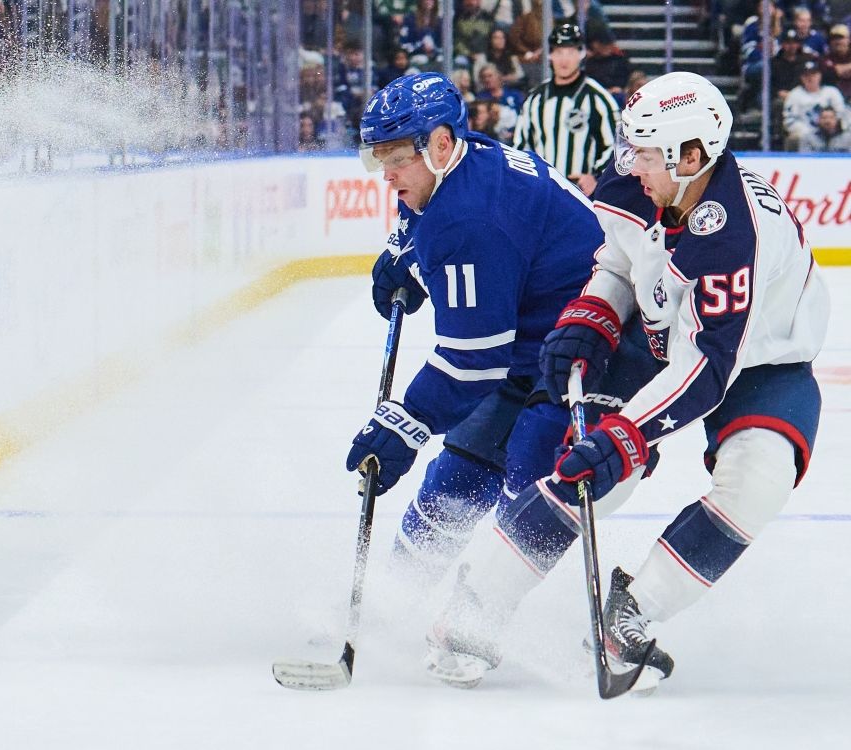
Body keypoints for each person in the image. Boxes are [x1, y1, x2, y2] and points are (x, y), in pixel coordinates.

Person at [423, 71, 829, 690]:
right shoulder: (640, 178)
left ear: (692, 156)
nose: (628, 162)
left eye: (646, 151)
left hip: (761, 361)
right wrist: (598, 309)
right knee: (592, 475)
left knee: (757, 479)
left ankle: (633, 614)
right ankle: (476, 605)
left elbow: (709, 365)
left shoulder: (734, 233)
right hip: (660, 332)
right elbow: (620, 254)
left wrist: (629, 433)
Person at [347, 72, 605, 595]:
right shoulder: (466, 159)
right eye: (380, 157)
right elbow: (421, 216)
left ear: (441, 144)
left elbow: (474, 361)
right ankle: (395, 603)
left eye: (397, 158)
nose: (387, 175)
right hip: (532, 338)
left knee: (531, 483)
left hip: (589, 351)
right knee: (462, 470)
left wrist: (408, 422)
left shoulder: (471, 220)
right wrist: (409, 254)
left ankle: (477, 622)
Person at [514, 23, 620, 197]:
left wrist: (596, 176)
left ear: (581, 54)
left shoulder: (598, 98)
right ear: (550, 55)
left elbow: (617, 146)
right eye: (559, 52)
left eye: (571, 52)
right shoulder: (535, 99)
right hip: (543, 194)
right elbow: (521, 147)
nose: (564, 59)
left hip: (584, 196)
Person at [782, 59, 848, 149]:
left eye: (813, 74)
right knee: (796, 138)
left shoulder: (832, 92)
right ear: (801, 78)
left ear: (819, 76)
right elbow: (789, 121)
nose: (810, 78)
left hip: (833, 133)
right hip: (806, 135)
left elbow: (842, 114)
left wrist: (835, 129)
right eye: (806, 75)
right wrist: (809, 133)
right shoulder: (795, 95)